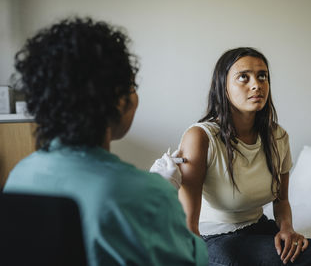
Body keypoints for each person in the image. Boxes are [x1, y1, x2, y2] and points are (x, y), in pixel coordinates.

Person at [4, 17, 207, 266]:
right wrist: (162, 192)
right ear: (119, 100)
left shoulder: (20, 175)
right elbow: (190, 258)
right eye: (132, 86)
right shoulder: (145, 195)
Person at [177, 47, 311, 265]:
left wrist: (287, 229)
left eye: (262, 76)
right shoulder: (201, 137)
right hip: (213, 238)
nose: (256, 85)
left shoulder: (277, 137)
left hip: (258, 228)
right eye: (243, 77)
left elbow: (282, 200)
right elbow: (188, 225)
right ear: (223, 86)